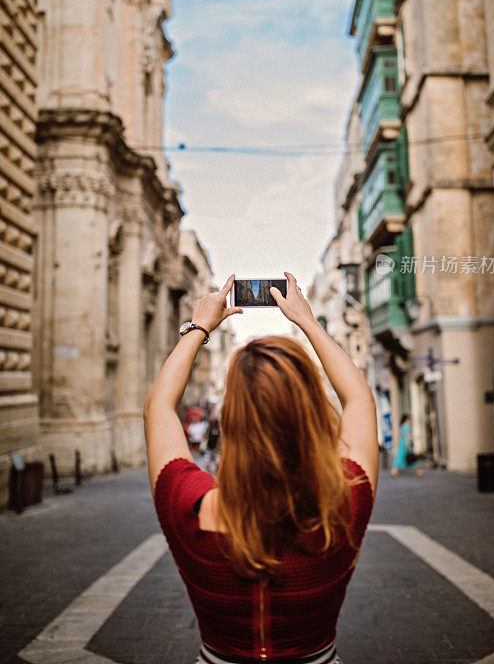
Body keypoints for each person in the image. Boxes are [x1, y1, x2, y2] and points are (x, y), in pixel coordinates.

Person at [144, 272, 379, 664]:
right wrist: (307, 320)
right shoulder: (346, 502)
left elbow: (159, 409)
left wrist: (198, 327)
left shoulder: (187, 507)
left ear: (231, 424)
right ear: (311, 416)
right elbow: (358, 398)